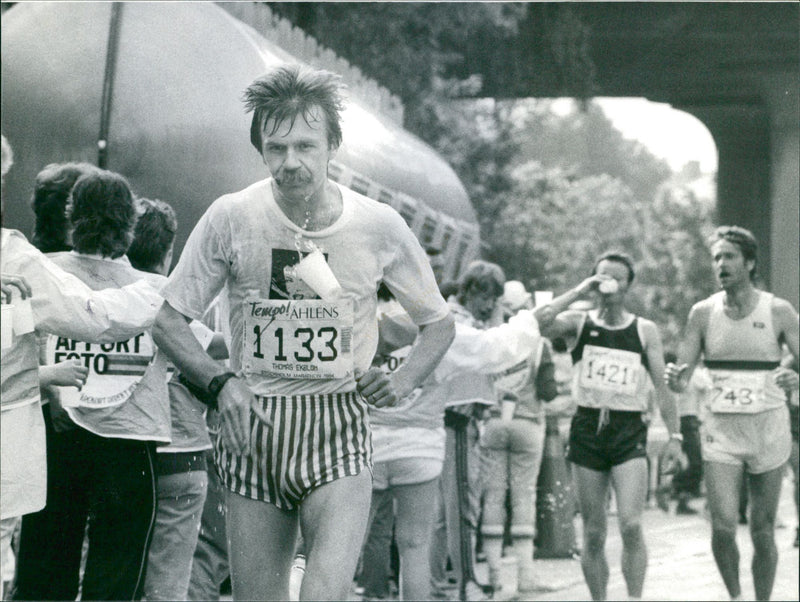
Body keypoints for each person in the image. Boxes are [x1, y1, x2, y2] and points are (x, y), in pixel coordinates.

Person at [151, 64, 455, 601]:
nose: (290, 163)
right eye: (276, 149)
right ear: (261, 151)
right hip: (255, 428)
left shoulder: (377, 224)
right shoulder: (232, 216)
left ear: (333, 144)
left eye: (305, 146)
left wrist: (404, 380)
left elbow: (439, 323)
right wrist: (221, 385)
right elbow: (168, 321)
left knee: (323, 595)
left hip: (338, 423)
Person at [0, 135, 162, 599]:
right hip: (116, 442)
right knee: (113, 571)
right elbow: (91, 315)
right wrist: (162, 294)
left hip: (55, 434)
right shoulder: (14, 258)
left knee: (41, 570)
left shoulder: (33, 261)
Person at [536, 251, 683, 601]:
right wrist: (578, 291)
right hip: (588, 427)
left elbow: (663, 388)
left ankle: (634, 597)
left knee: (631, 525)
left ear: (628, 285)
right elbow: (538, 322)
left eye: (616, 277)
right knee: (594, 532)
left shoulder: (644, 330)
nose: (609, 283)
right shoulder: (578, 322)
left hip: (628, 428)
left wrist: (675, 436)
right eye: (602, 276)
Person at [665, 226, 799, 601]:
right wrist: (676, 378)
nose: (720, 264)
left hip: (768, 429)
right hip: (721, 431)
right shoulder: (703, 313)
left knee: (762, 529)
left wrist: (794, 376)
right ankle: (737, 596)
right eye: (717, 257)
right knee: (722, 526)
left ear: (750, 262)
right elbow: (683, 375)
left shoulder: (777, 310)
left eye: (729, 257)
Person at [128, 198, 227, 601]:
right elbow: (217, 348)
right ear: (170, 253)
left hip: (127, 456)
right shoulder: (176, 314)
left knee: (121, 567)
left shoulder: (114, 300)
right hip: (184, 455)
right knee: (169, 580)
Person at [478, 281, 558, 597]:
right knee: (524, 496)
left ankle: (495, 576)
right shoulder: (538, 344)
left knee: (493, 497)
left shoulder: (490, 340)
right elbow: (549, 390)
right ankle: (525, 577)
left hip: (493, 423)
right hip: (527, 424)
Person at [656, 351, 710, 515]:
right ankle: (671, 488)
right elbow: (709, 388)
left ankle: (680, 498)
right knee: (695, 462)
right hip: (688, 420)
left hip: (677, 421)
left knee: (684, 462)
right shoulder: (691, 375)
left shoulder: (666, 378)